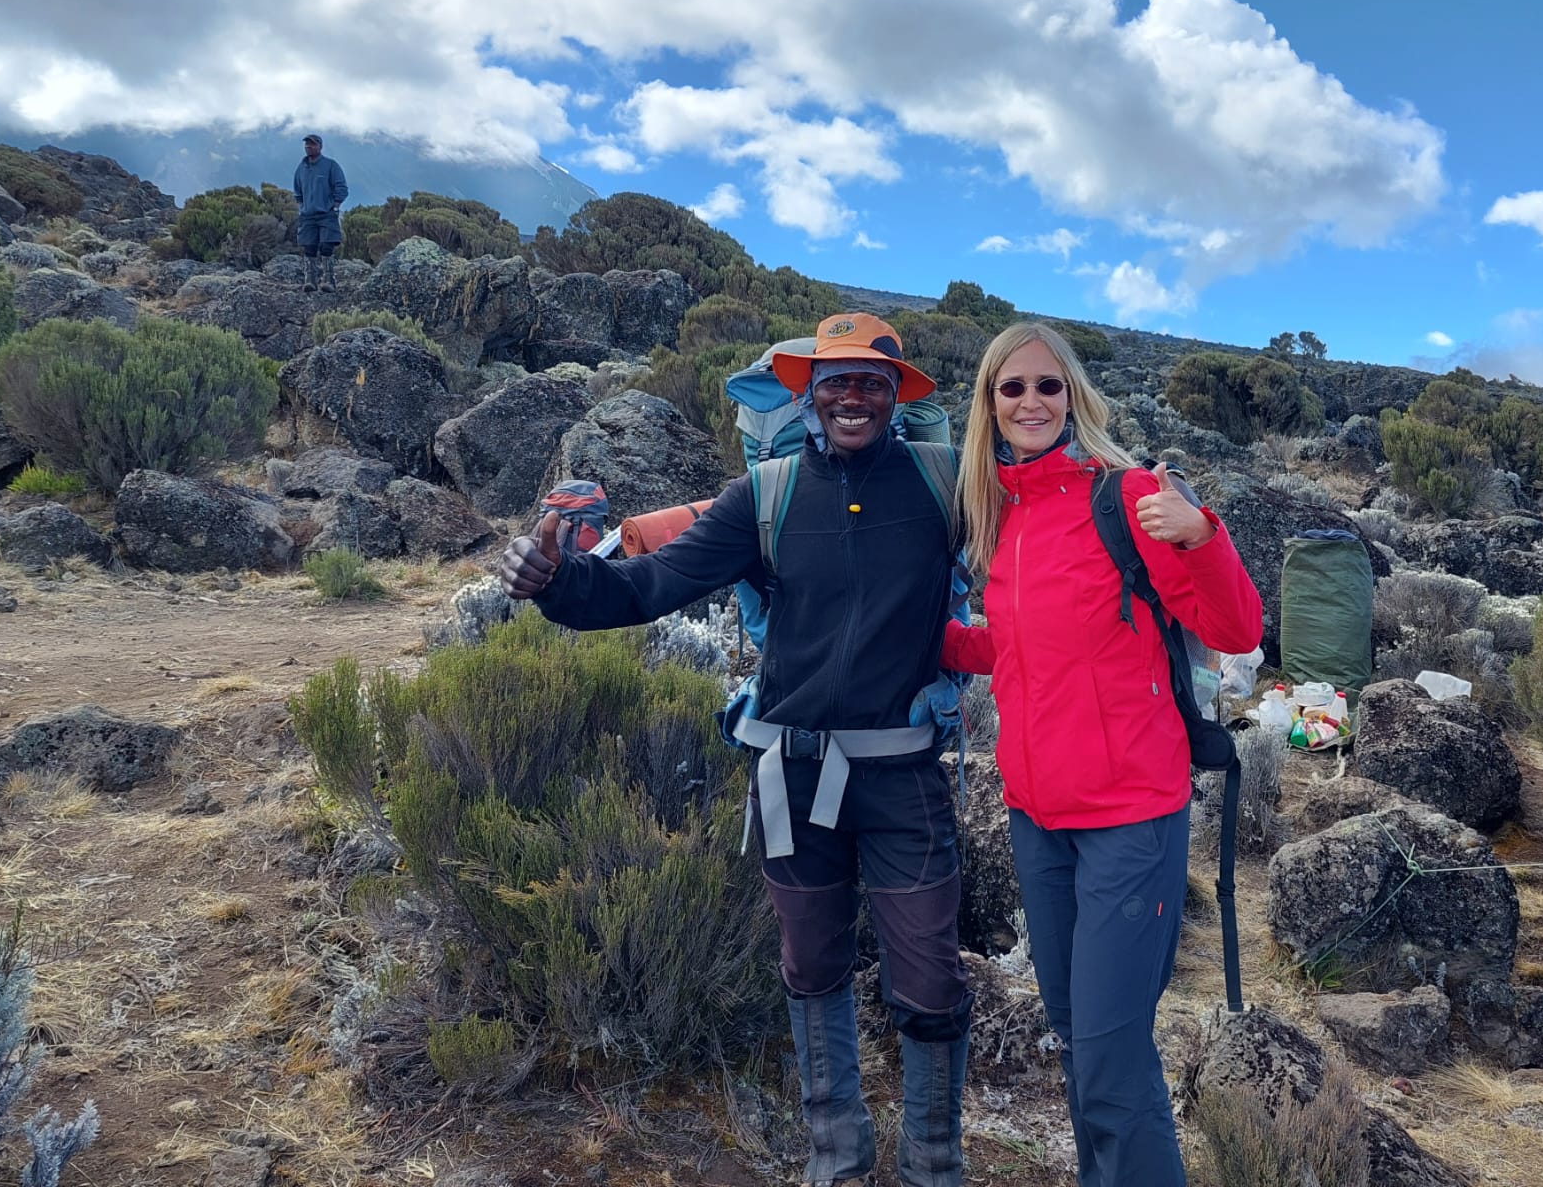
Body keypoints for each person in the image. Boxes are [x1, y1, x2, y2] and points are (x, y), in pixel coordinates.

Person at [498, 312, 972, 1187]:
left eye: (873, 381)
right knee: (812, 967)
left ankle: (935, 1167)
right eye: (836, 380)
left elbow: (1049, 548)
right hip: (790, 776)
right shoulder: (766, 494)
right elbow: (652, 583)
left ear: (897, 395)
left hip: (902, 773)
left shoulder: (948, 486)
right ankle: (837, 1160)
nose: (854, 396)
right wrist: (560, 584)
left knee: (932, 985)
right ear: (809, 392)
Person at [939, 322, 1262, 1187]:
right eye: (1013, 389)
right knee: (1081, 1041)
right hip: (1038, 822)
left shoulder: (1129, 498)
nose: (1032, 402)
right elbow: (1017, 645)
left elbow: (1236, 630)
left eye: (1049, 386)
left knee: (1115, 1063)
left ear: (1075, 397)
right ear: (989, 406)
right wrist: (934, 641)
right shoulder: (1004, 520)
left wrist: (1201, 535)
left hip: (1130, 820)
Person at [292, 134, 349, 292]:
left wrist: (336, 205)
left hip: (327, 214)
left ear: (320, 147)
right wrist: (302, 207)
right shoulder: (301, 167)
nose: (308, 146)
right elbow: (297, 190)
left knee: (326, 246)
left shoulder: (330, 165)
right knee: (309, 247)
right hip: (308, 215)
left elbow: (342, 187)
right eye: (307, 144)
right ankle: (310, 281)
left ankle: (329, 280)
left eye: (312, 144)